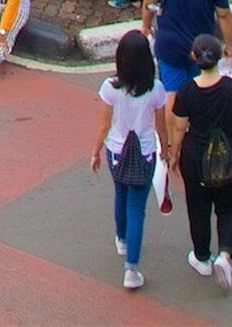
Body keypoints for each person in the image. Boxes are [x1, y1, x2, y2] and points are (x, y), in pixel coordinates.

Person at [164, 31, 232, 290]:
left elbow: (179, 128)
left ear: (194, 57)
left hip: (196, 159)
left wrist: (174, 155)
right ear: (219, 58)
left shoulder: (187, 91)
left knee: (198, 209)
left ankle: (202, 258)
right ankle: (225, 254)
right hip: (230, 158)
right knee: (229, 208)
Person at [91, 28, 170, 291]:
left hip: (116, 151)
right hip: (145, 153)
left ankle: (122, 239)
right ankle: (131, 270)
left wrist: (95, 151)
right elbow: (161, 126)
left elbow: (103, 126)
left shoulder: (110, 88)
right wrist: (166, 151)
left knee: (120, 195)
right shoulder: (156, 89)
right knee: (138, 208)